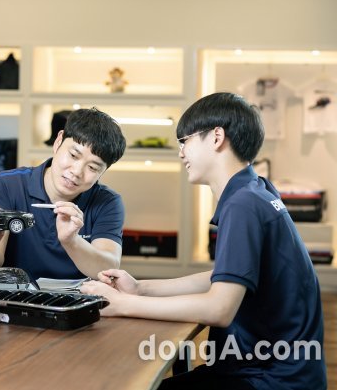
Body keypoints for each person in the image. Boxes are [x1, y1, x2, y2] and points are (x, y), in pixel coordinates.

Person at [81, 93, 327, 390]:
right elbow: (226, 277)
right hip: (278, 371)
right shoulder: (257, 190)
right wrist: (141, 288)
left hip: (271, 380)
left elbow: (219, 309)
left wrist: (123, 304)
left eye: (184, 141)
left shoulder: (243, 205)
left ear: (216, 137)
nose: (181, 153)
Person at [0, 107, 127, 280]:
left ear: (103, 172)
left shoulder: (107, 202)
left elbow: (108, 269)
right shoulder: (7, 185)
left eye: (92, 167)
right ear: (58, 142)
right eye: (73, 155)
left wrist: (71, 241)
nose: (76, 171)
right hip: (15, 294)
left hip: (78, 296)